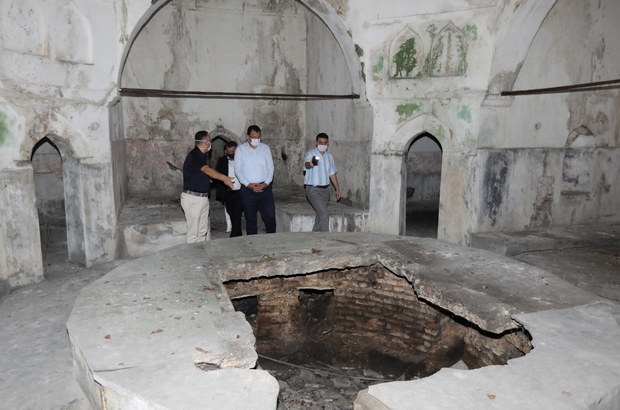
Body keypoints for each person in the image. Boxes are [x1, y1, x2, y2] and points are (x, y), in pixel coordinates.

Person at [181, 131, 234, 243]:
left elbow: (199, 173)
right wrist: (224, 178)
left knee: (202, 232)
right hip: (194, 199)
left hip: (202, 198)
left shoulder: (201, 156)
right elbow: (206, 170)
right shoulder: (195, 155)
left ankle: (201, 257)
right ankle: (192, 259)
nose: (211, 144)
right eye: (210, 141)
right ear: (206, 143)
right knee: (193, 233)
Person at [234, 125, 276, 235]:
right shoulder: (240, 150)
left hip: (265, 189)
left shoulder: (265, 148)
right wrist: (248, 184)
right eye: (253, 137)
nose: (256, 139)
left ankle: (272, 241)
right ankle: (253, 245)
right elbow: (237, 170)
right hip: (248, 190)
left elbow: (270, 167)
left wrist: (266, 183)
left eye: (258, 137)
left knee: (270, 217)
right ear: (247, 136)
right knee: (251, 219)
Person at [303, 132, 341, 232]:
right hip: (313, 189)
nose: (322, 145)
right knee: (324, 214)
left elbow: (332, 173)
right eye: (320, 142)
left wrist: (337, 189)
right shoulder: (311, 154)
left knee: (320, 215)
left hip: (325, 190)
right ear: (316, 143)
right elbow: (306, 164)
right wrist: (310, 164)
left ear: (327, 144)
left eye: (325, 143)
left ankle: (314, 236)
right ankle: (326, 238)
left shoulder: (329, 157)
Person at [215, 141, 243, 237]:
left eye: (233, 152)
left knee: (237, 212)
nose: (231, 154)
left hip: (239, 191)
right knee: (231, 211)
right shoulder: (222, 160)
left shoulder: (242, 160)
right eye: (229, 152)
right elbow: (218, 173)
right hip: (227, 192)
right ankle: (238, 232)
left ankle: (234, 234)